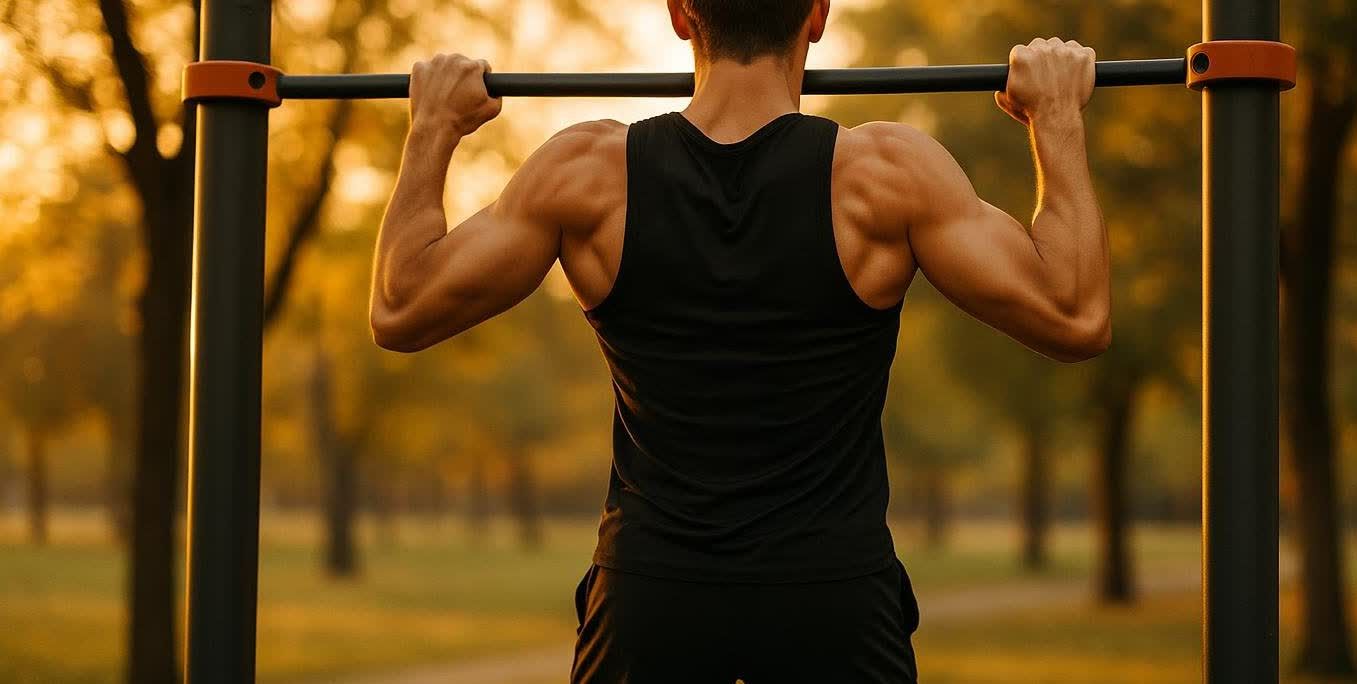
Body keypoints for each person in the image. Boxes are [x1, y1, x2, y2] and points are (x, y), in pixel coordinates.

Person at [369, 0, 1109, 680]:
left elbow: (401, 308)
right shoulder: (887, 176)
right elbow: (1073, 314)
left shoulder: (588, 174)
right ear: (817, 15)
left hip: (651, 604)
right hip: (832, 609)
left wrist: (433, 127)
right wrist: (1057, 120)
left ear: (680, 13)